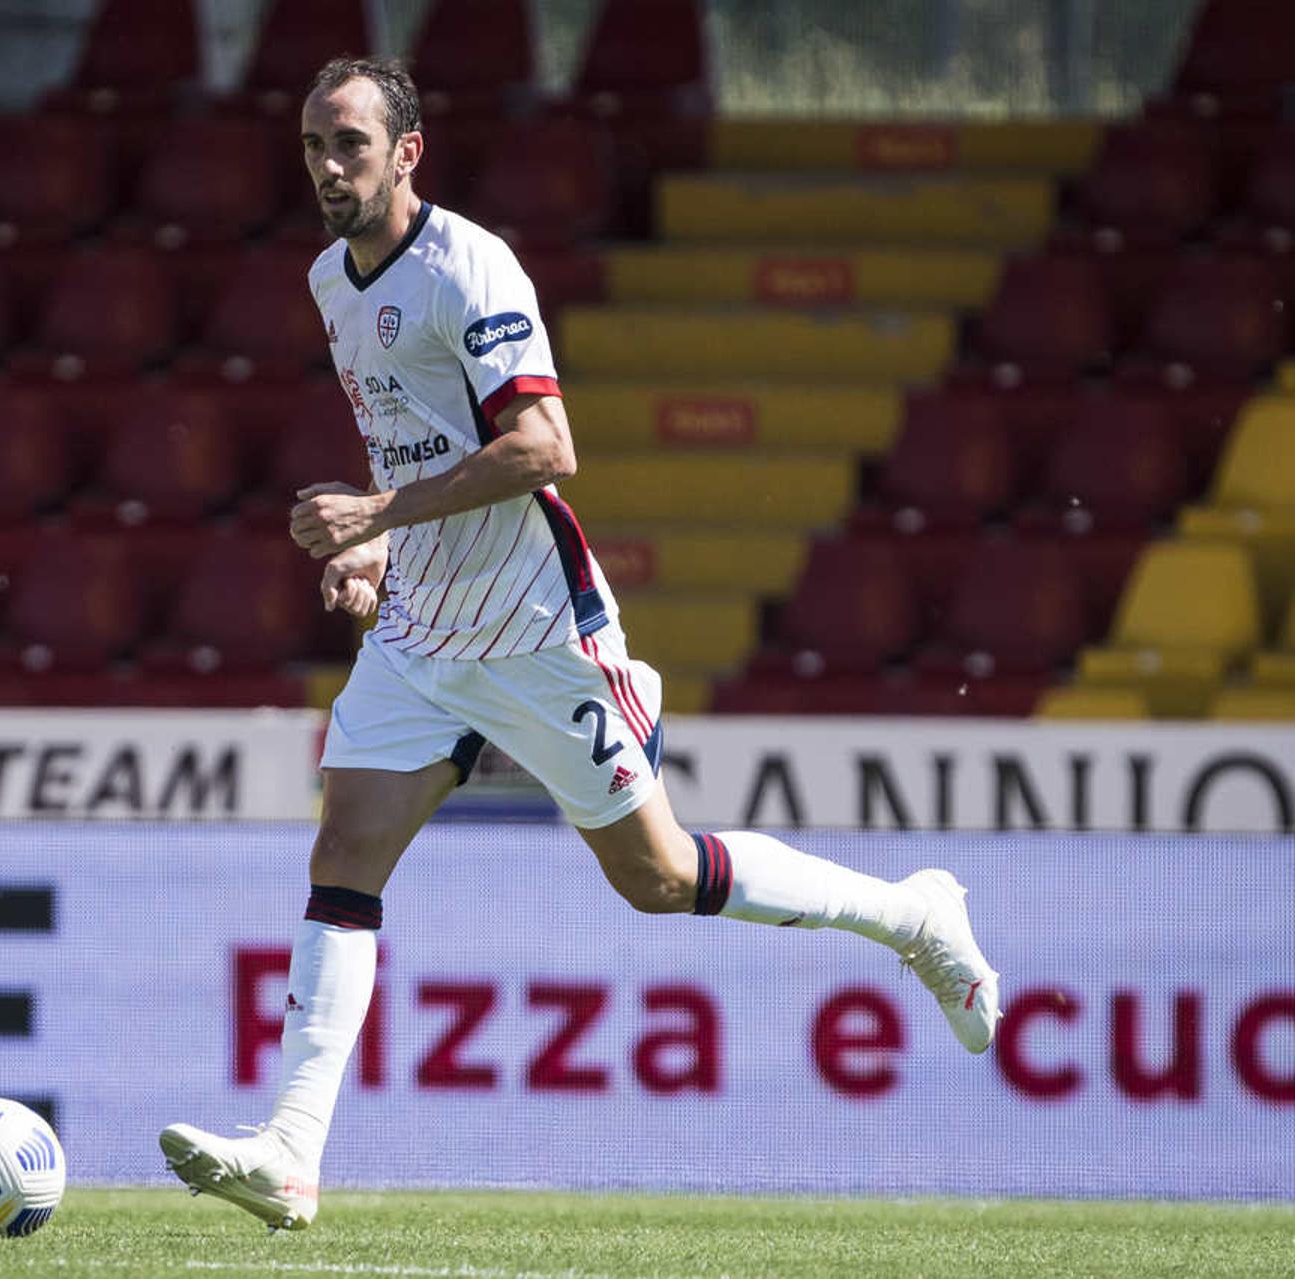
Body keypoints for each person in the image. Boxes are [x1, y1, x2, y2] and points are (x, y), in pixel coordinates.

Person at [159, 56, 999, 1232]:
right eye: (312, 144)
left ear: (408, 153)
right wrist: (380, 553)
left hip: (534, 620)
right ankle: (292, 1152)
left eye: (350, 143)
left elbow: (547, 447)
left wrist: (376, 516)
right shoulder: (328, 281)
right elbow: (417, 453)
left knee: (655, 878)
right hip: (422, 630)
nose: (328, 165)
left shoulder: (470, 266)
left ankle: (913, 916)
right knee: (345, 846)